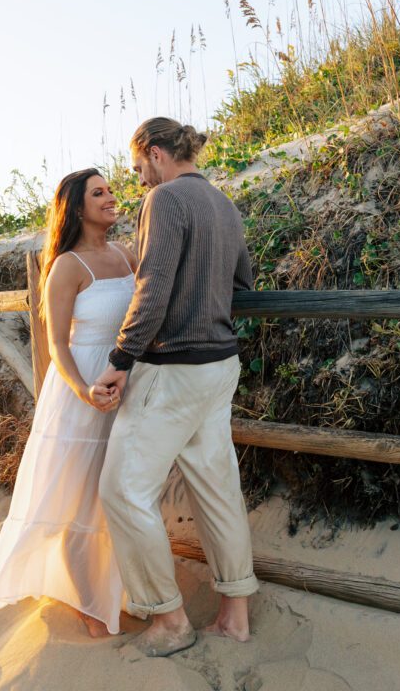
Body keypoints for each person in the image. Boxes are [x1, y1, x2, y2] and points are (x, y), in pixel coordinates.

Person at [96, 117, 259, 658]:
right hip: (220, 366)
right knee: (217, 489)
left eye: (140, 165)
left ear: (158, 153)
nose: (139, 177)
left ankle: (169, 620)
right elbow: (244, 283)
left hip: (174, 369)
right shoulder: (223, 204)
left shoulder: (164, 202)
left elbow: (154, 285)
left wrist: (122, 357)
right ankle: (235, 616)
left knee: (122, 490)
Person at [0, 168, 136, 637]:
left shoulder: (127, 256)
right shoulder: (67, 266)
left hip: (126, 387)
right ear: (77, 207)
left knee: (117, 495)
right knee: (77, 499)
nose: (111, 197)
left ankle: (120, 589)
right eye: (99, 193)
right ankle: (87, 599)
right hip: (81, 394)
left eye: (110, 189)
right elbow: (57, 348)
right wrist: (85, 391)